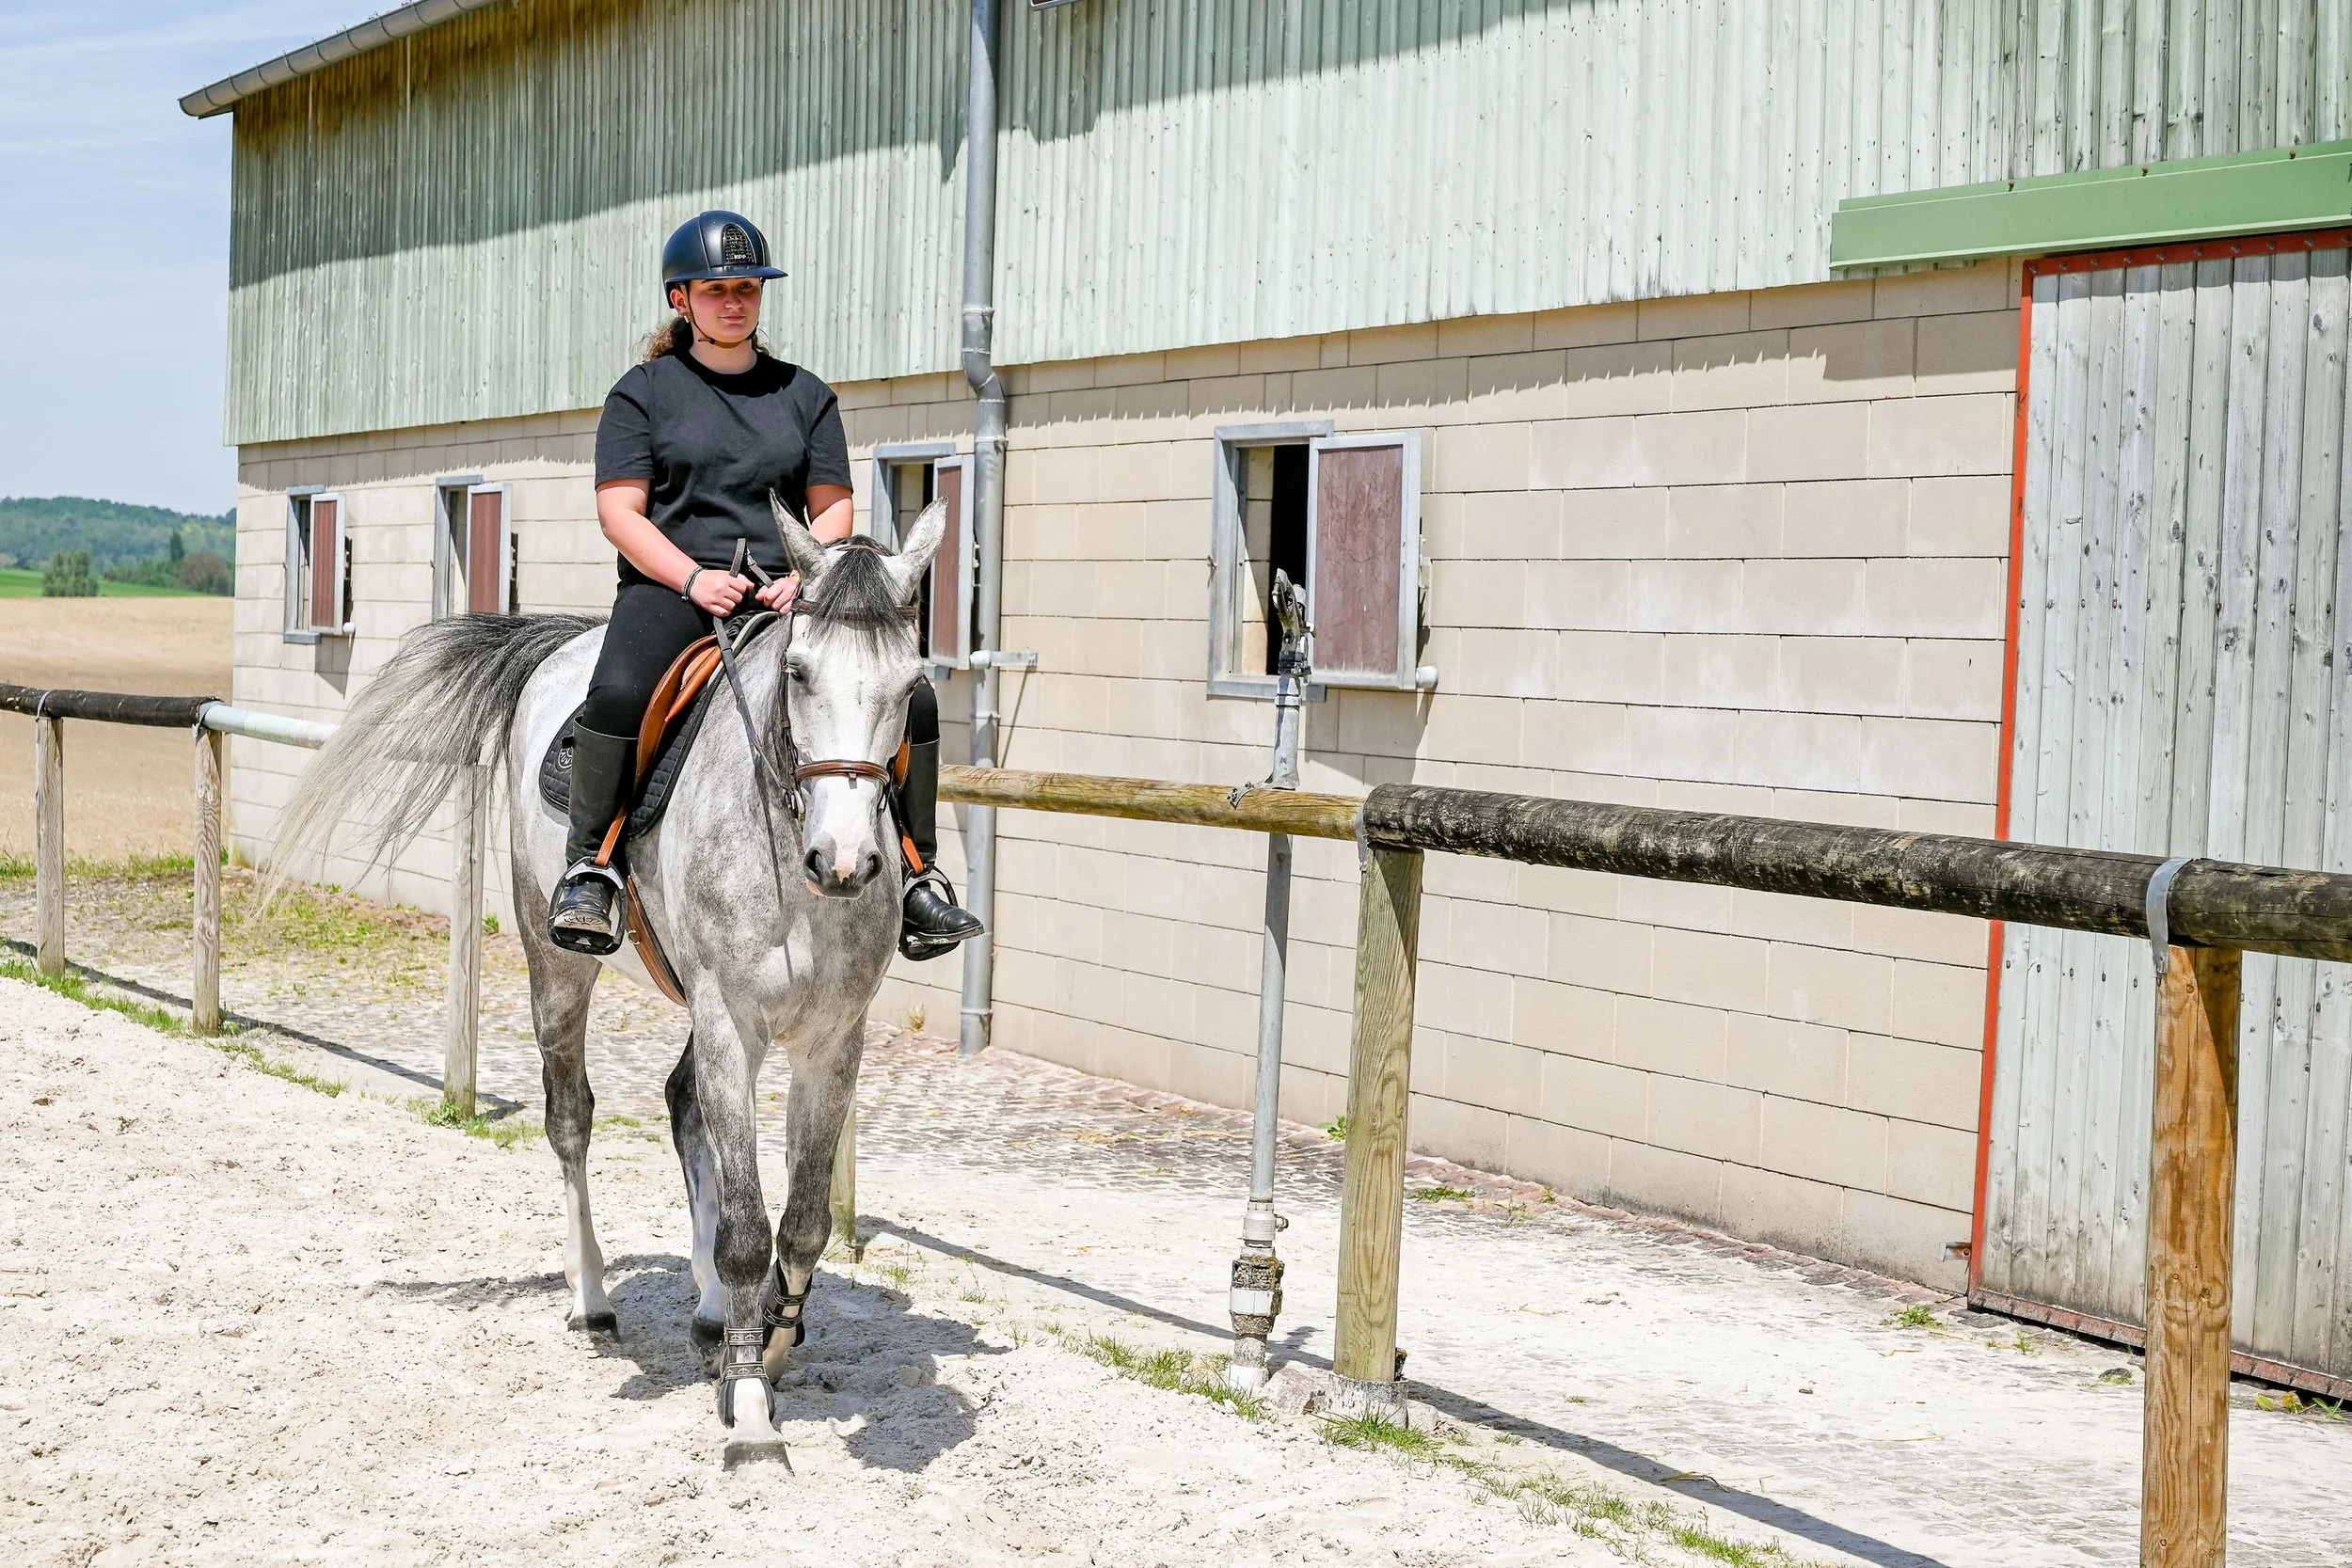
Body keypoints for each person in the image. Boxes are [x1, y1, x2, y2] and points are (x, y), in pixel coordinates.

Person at [547, 209, 981, 962]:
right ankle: (591, 866)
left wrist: (804, 574)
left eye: (747, 288)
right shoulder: (641, 394)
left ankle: (918, 875)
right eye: (717, 290)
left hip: (788, 594)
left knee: (911, 694)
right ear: (681, 299)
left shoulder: (806, 396)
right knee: (618, 691)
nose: (734, 302)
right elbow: (620, 513)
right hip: (672, 589)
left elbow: (833, 508)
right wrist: (692, 577)